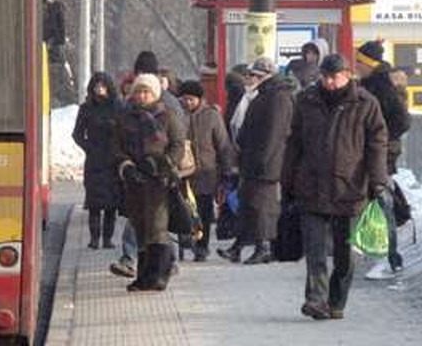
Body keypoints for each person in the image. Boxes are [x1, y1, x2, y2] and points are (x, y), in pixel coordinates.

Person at [282, 54, 389, 320]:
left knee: (345, 255)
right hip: (311, 184)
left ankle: (336, 301)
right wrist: (287, 180)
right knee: (315, 249)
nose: (329, 82)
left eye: (334, 76)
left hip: (349, 188)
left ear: (347, 75)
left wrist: (378, 180)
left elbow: (377, 144)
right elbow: (293, 142)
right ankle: (315, 300)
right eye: (325, 76)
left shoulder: (366, 103)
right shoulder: (306, 100)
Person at [115, 74, 186, 292]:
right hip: (135, 180)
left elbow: (178, 145)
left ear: (155, 94)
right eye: (138, 91)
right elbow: (117, 147)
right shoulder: (126, 117)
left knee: (157, 227)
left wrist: (165, 164)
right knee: (140, 227)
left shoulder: (168, 116)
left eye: (146, 92)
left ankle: (159, 275)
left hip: (160, 181)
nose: (142, 96)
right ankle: (143, 276)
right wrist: (126, 166)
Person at [220, 56, 293, 265]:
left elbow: (274, 133)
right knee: (247, 203)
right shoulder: (264, 95)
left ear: (264, 76)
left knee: (261, 205)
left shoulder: (277, 97)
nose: (249, 79)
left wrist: (263, 160)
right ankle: (239, 246)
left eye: (253, 75)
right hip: (253, 159)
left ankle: (263, 247)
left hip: (266, 162)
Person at [355, 40, 412, 279]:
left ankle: (391, 257)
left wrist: (381, 140)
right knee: (374, 202)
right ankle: (380, 252)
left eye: (359, 61)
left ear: (369, 63)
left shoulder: (382, 86)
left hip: (382, 154)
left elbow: (402, 121)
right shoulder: (370, 83)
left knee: (382, 202)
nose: (356, 65)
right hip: (372, 151)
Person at [178, 80, 236, 262]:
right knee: (186, 210)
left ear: (199, 99)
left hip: (207, 173)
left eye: (191, 100)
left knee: (203, 212)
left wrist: (227, 170)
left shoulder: (211, 116)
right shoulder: (178, 115)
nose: (188, 103)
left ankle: (202, 247)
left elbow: (223, 144)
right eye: (185, 99)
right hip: (184, 173)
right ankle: (188, 239)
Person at [72, 72, 124, 250]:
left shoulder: (118, 106)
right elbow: (77, 134)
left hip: (113, 159)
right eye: (96, 86)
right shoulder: (86, 108)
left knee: (111, 204)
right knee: (94, 203)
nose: (99, 89)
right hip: (94, 160)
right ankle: (94, 238)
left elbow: (124, 131)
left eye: (102, 86)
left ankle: (108, 239)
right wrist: (89, 147)